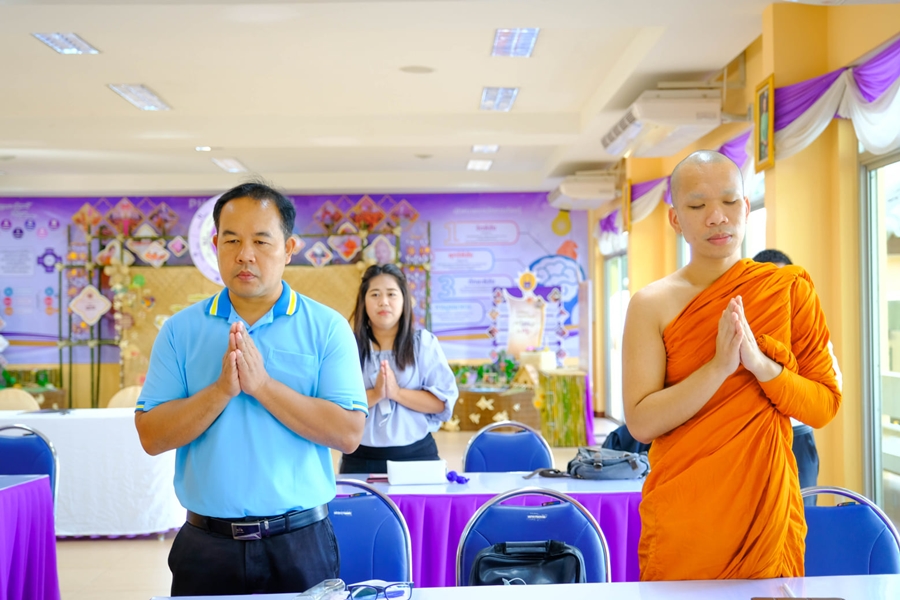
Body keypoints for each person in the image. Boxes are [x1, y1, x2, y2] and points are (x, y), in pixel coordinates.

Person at [134, 182, 368, 596]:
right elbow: (152, 436)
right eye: (232, 240)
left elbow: (348, 433)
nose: (245, 254)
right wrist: (221, 391)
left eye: (261, 241)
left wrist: (262, 386)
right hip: (206, 544)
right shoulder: (180, 330)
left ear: (289, 248)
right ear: (215, 246)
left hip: (300, 541)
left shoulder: (327, 327)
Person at [622, 151, 842, 581]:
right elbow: (642, 423)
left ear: (745, 207)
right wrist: (718, 367)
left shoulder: (785, 290)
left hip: (765, 513)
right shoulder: (651, 304)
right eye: (697, 205)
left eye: (728, 202)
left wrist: (761, 367)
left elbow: (823, 406)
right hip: (686, 515)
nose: (716, 217)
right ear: (675, 219)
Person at [339, 263, 458, 474]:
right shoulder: (347, 346)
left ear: (404, 300)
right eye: (375, 294)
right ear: (363, 301)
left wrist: (396, 393)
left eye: (391, 294)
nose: (383, 301)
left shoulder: (423, 343)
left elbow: (441, 403)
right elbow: (336, 407)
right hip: (360, 458)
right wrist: (376, 394)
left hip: (417, 456)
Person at [753, 248, 844, 506]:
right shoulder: (742, 329)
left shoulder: (809, 333)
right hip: (752, 439)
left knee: (801, 517)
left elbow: (829, 391)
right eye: (771, 284)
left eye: (786, 283)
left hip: (798, 439)